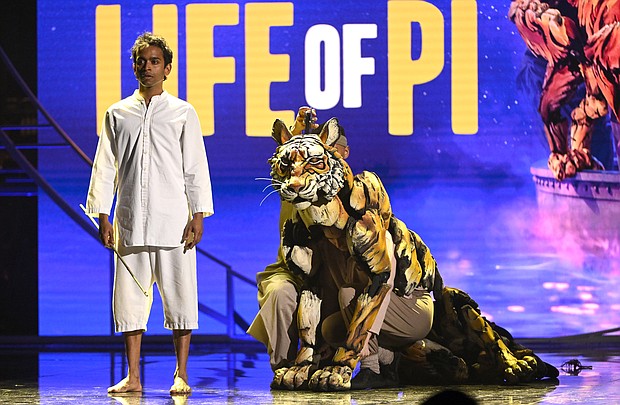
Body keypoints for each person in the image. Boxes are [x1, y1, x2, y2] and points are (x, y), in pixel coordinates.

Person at [85, 32, 213, 395]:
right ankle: (134, 377)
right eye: (141, 61)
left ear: (167, 68)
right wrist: (103, 216)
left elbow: (195, 167)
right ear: (134, 66)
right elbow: (105, 167)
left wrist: (199, 214)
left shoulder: (183, 112)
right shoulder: (117, 113)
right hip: (130, 222)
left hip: (174, 222)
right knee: (129, 301)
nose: (147, 67)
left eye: (155, 61)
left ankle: (181, 374)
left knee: (181, 297)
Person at [246, 107, 352, 372]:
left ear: (342, 153)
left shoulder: (354, 192)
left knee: (349, 295)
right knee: (280, 293)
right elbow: (283, 160)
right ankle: (281, 367)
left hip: (336, 276)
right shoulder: (295, 184)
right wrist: (295, 130)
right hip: (292, 270)